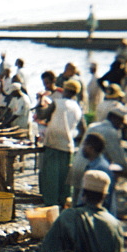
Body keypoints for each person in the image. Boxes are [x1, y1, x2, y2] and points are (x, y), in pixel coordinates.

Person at [39, 78, 84, 208]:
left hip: (53, 144)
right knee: (64, 179)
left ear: (64, 90)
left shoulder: (57, 103)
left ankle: (50, 204)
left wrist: (41, 101)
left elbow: (41, 115)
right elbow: (82, 130)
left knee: (51, 177)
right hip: (68, 146)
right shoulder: (77, 107)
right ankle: (63, 203)